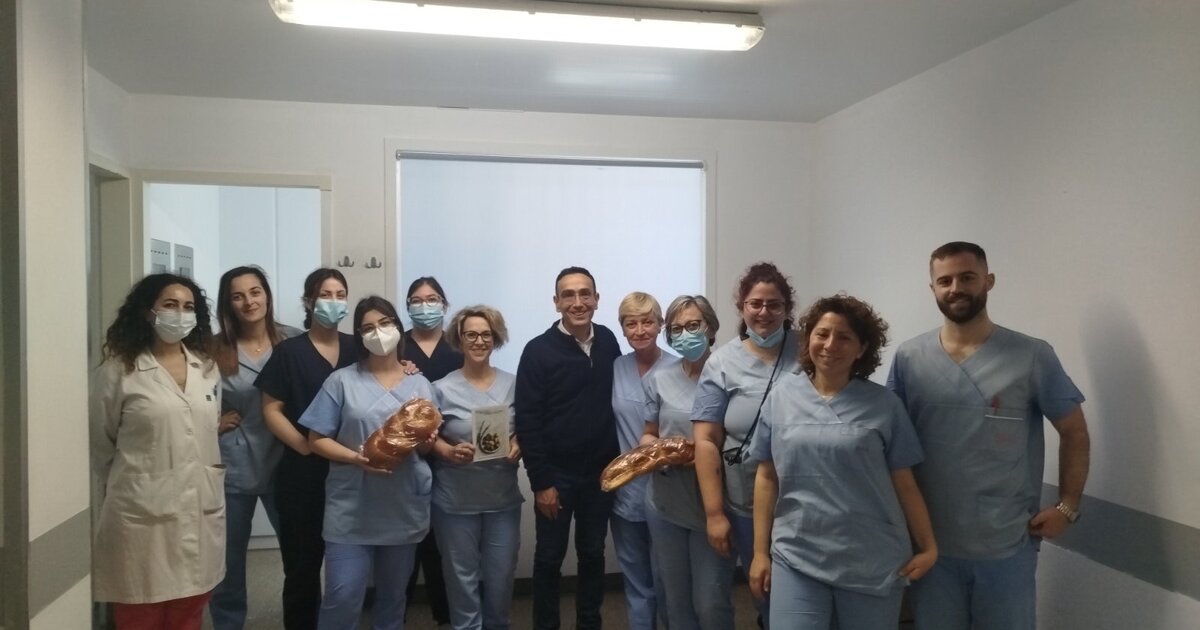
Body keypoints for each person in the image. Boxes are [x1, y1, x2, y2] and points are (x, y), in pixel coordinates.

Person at [887, 241, 1090, 630]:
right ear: (932, 289)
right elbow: (891, 445)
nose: (956, 288)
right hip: (931, 544)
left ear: (988, 281)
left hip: (1005, 544)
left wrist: (1067, 506)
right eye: (945, 281)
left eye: (967, 277)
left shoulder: (1031, 355)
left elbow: (1075, 432)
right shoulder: (910, 358)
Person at [747, 294, 938, 629]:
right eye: (822, 334)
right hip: (797, 552)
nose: (830, 345)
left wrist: (928, 546)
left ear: (862, 348)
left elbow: (904, 482)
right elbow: (766, 477)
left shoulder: (884, 406)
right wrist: (760, 553)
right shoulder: (781, 399)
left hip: (870, 558)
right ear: (808, 339)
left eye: (844, 337)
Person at [90, 273, 223, 629]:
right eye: (170, 304)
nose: (180, 313)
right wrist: (142, 482)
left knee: (189, 611)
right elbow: (102, 445)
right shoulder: (119, 372)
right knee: (141, 612)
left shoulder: (206, 369)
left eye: (188, 307)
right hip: (140, 518)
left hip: (200, 509)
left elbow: (205, 431)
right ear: (148, 311)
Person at [299, 295, 437, 629]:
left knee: (393, 599)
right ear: (360, 336)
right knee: (342, 596)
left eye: (385, 323)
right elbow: (316, 439)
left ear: (398, 327)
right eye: (368, 328)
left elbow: (424, 449)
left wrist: (427, 441)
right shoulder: (341, 381)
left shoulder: (419, 383)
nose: (378, 332)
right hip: (352, 509)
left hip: (402, 507)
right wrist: (355, 458)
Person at [692, 262, 799, 628]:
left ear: (787, 308)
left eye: (774, 304)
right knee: (756, 591)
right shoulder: (722, 363)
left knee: (791, 602)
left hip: (801, 502)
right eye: (755, 304)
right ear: (742, 307)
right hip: (743, 501)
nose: (764, 312)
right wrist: (714, 514)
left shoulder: (810, 351)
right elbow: (706, 440)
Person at [514, 266, 621, 630]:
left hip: (599, 476)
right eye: (569, 295)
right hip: (555, 477)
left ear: (597, 299)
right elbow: (528, 421)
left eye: (585, 293)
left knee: (593, 555)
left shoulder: (608, 341)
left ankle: (589, 624)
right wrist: (541, 483)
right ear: (556, 302)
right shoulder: (537, 351)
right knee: (549, 559)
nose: (578, 302)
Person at [256, 268, 357, 630]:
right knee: (302, 567)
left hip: (350, 473)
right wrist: (304, 446)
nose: (334, 301)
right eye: (325, 295)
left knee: (349, 567)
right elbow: (271, 409)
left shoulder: (359, 348)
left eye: (340, 294)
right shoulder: (289, 352)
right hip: (302, 475)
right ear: (309, 302)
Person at [209, 266, 303, 630]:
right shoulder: (213, 350)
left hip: (287, 461)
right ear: (228, 304)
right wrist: (214, 423)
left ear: (266, 295)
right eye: (238, 296)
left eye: (255, 292)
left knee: (299, 556)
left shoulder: (293, 341)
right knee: (229, 560)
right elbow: (190, 399)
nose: (249, 302)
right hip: (236, 464)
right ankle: (228, 623)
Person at [642, 295, 735, 630]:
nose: (685, 334)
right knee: (675, 599)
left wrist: (702, 454)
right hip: (666, 502)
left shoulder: (729, 375)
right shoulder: (658, 379)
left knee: (711, 602)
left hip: (715, 504)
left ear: (710, 328)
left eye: (693, 325)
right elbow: (649, 433)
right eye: (677, 329)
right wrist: (658, 451)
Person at [429, 305, 523, 630]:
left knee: (500, 581)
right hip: (454, 503)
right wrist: (446, 451)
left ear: (495, 339)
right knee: (461, 581)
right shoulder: (440, 388)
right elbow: (427, 438)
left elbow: (527, 427)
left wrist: (519, 444)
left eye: (486, 335)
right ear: (459, 339)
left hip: (502, 501)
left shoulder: (514, 384)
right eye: (471, 334)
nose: (479, 341)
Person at [401, 277, 461, 628]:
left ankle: (446, 616)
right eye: (417, 300)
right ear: (407, 306)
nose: (425, 306)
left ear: (444, 304)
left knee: (443, 545)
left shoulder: (459, 345)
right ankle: (396, 615)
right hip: (407, 458)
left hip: (452, 457)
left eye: (432, 299)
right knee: (406, 545)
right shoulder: (396, 347)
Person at [610, 292, 671, 630]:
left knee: (668, 579)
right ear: (622, 329)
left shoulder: (678, 367)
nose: (640, 330)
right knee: (636, 581)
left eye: (647, 322)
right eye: (631, 323)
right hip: (627, 490)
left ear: (660, 325)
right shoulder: (616, 367)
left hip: (668, 489)